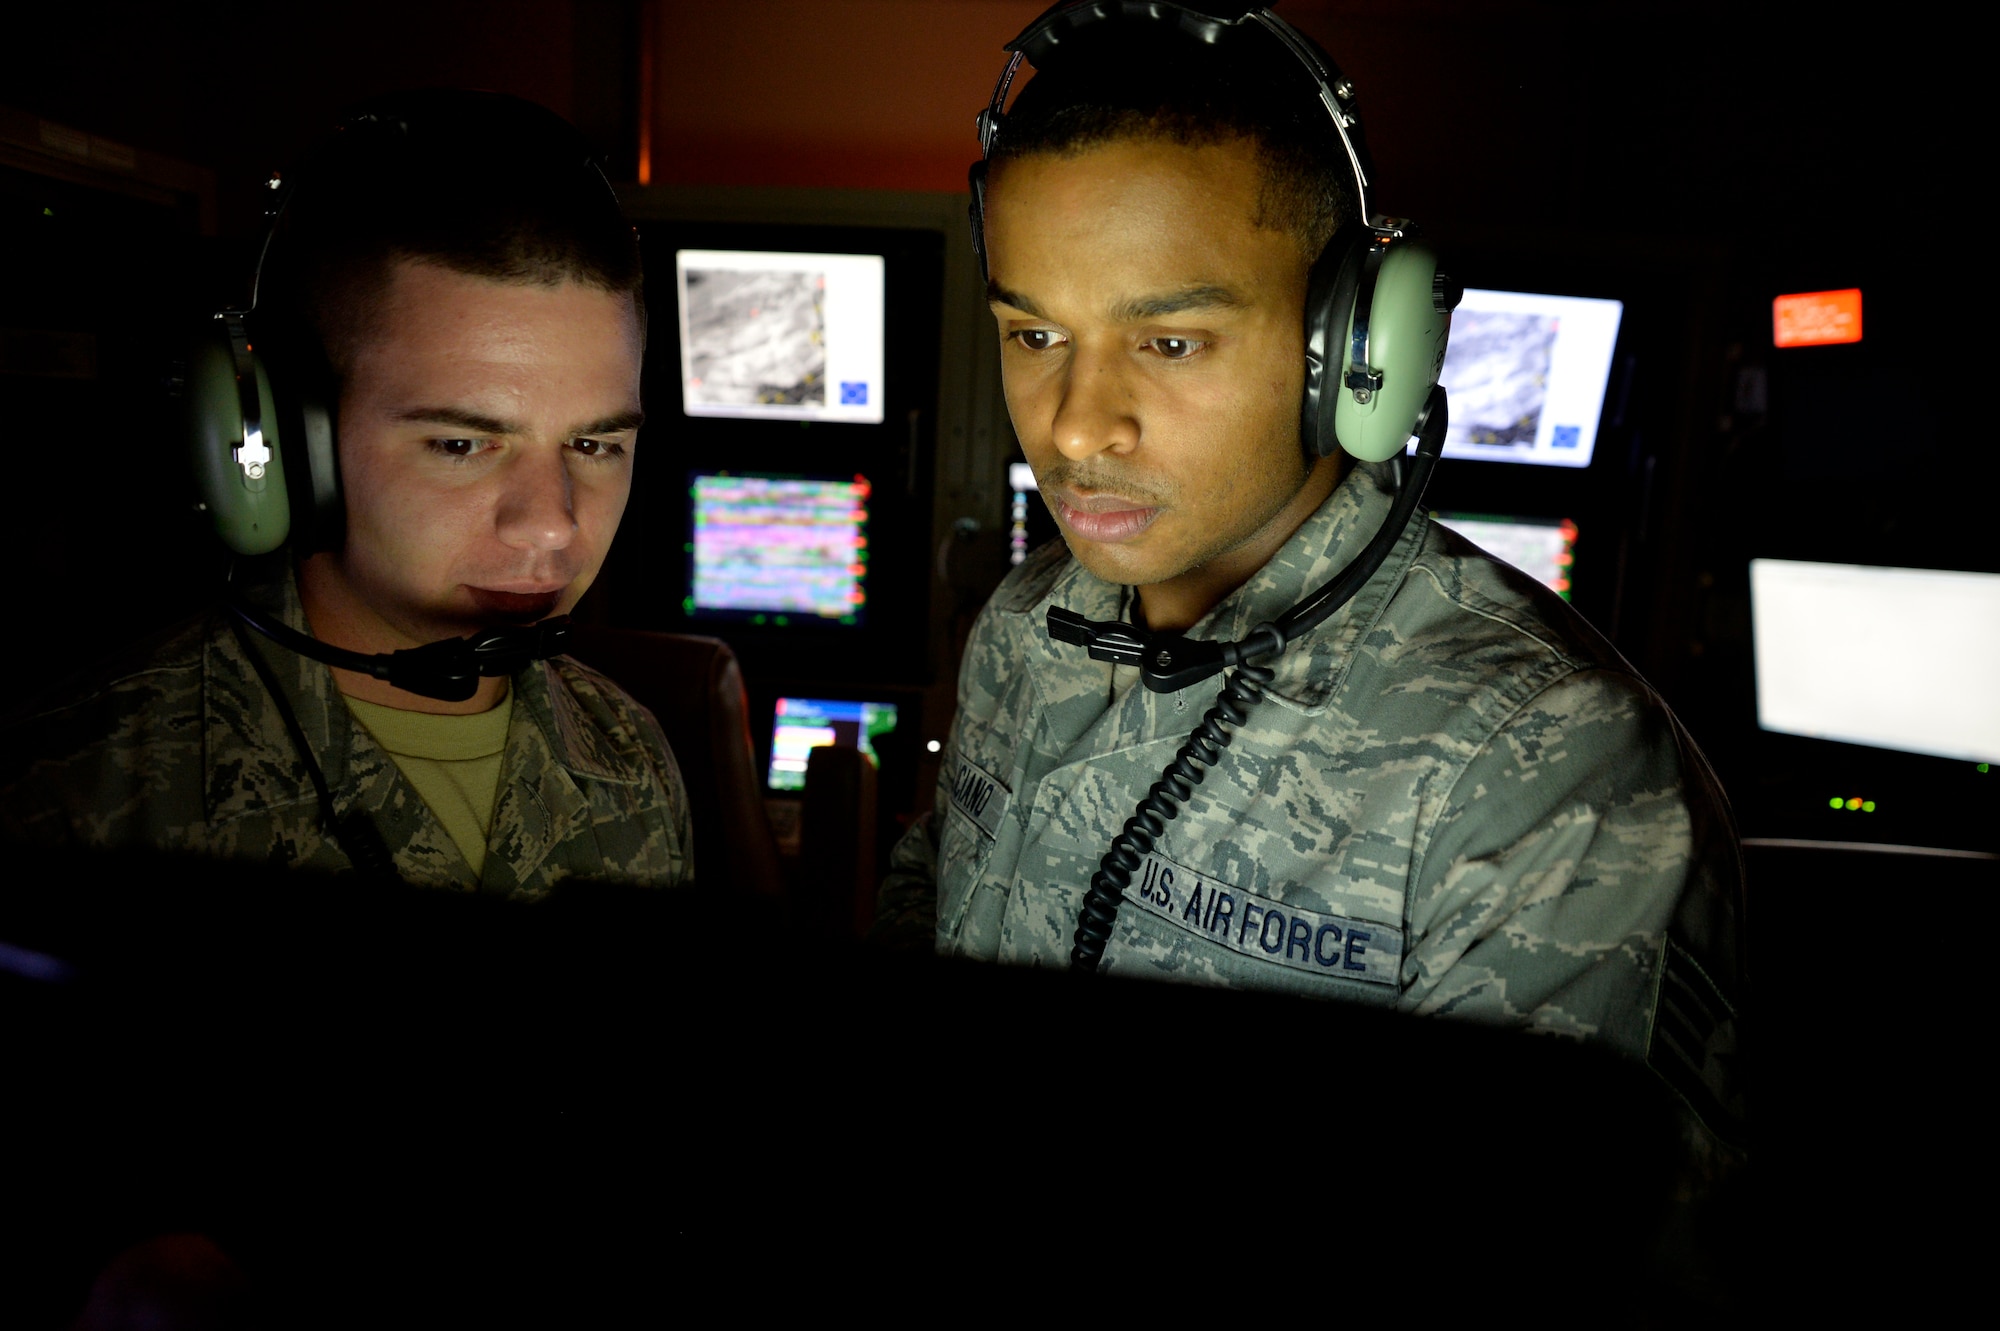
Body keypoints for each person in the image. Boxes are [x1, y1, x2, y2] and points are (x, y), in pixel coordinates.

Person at [876, 4, 1742, 1156]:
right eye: (1034, 336)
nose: (1077, 428)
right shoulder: (1025, 626)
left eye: (1169, 342)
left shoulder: (1543, 776)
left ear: (1356, 350)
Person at [0, 92, 692, 895]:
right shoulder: (69, 791)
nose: (551, 525)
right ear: (288, 444)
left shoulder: (632, 756)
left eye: (595, 443)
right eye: (461, 444)